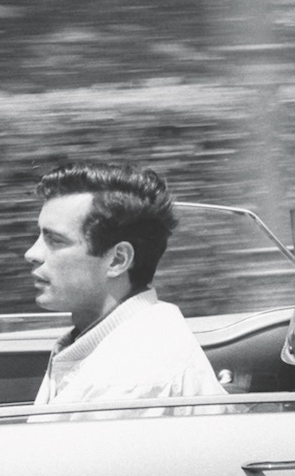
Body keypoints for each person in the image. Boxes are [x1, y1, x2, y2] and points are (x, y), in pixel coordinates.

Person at [24, 161, 226, 418]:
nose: (31, 253)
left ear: (117, 260)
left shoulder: (130, 378)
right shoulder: (122, 338)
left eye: (55, 240)